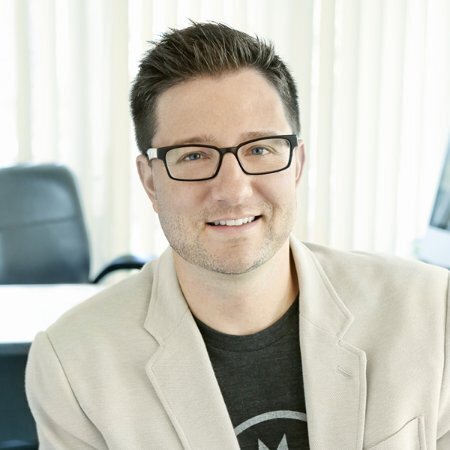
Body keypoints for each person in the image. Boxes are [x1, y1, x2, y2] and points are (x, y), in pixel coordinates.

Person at [25, 22, 449, 449]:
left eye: (260, 149)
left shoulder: (432, 312)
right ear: (151, 181)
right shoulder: (73, 366)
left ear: (296, 165)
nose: (233, 190)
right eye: (193, 155)